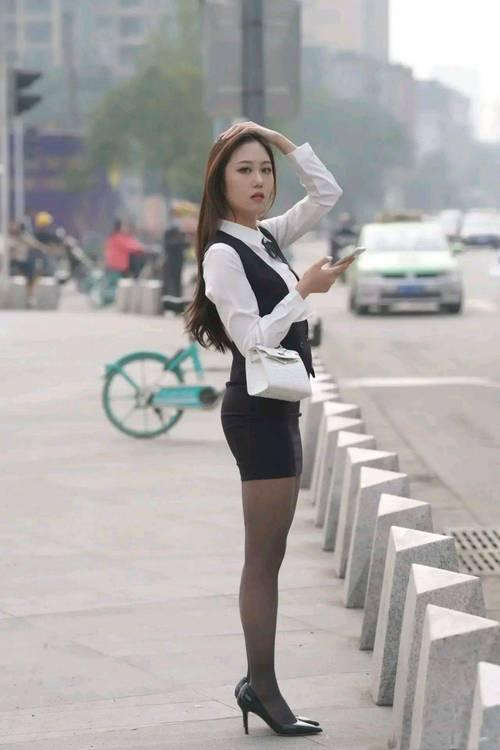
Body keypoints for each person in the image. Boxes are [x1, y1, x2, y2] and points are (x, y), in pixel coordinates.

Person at [184, 121, 354, 738]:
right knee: (262, 559)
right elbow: (251, 339)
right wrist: (304, 290)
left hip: (281, 406)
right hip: (255, 414)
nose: (259, 181)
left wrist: (277, 139)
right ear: (220, 182)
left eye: (265, 170)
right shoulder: (223, 254)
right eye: (244, 170)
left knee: (272, 555)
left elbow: (327, 192)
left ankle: (261, 684)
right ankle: (262, 687)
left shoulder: (266, 237)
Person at [162, 205, 190, 297]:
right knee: (170, 281)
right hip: (170, 260)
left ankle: (178, 298)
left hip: (179, 259)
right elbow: (167, 245)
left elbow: (186, 244)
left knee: (178, 281)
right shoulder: (168, 231)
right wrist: (180, 243)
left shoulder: (181, 231)